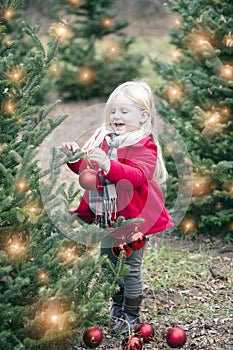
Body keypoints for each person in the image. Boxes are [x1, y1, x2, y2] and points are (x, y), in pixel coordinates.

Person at [59, 81, 173, 335]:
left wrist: (109, 165)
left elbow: (138, 175)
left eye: (124, 111)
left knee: (130, 268)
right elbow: (87, 171)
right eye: (113, 111)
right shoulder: (104, 139)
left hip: (134, 221)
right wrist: (76, 157)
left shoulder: (145, 144)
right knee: (108, 264)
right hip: (107, 217)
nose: (116, 116)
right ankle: (116, 307)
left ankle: (130, 314)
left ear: (143, 116)